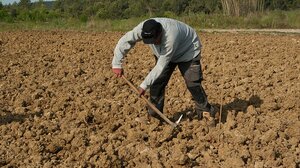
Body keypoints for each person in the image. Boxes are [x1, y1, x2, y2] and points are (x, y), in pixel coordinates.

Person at [112, 18, 216, 126]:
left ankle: (206, 112)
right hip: (163, 54)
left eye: (155, 40)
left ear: (160, 33)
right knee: (157, 82)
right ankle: (155, 116)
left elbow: (161, 65)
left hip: (188, 51)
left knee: (192, 83)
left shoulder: (170, 37)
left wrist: (143, 86)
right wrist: (116, 64)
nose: (153, 43)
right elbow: (126, 40)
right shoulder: (142, 29)